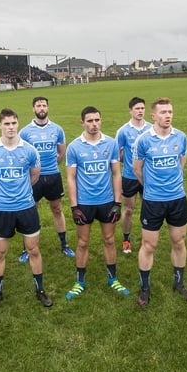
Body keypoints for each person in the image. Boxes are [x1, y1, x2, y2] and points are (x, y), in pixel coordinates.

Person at [0, 108, 54, 309]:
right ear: (0, 125)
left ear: (18, 124)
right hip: (2, 209)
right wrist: (5, 192)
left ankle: (40, 290)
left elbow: (35, 175)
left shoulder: (29, 150)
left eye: (14, 123)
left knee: (33, 250)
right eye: (6, 123)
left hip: (26, 208)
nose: (11, 127)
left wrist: (21, 191)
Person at [133, 97, 187, 306]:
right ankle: (145, 288)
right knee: (149, 245)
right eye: (163, 112)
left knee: (179, 242)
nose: (168, 115)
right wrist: (152, 187)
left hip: (177, 199)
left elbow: (181, 164)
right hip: (153, 201)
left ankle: (179, 283)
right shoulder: (143, 140)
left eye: (170, 112)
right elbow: (137, 170)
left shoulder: (181, 137)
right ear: (153, 116)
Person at [64, 106, 130, 300]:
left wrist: (117, 202)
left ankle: (112, 279)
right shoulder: (74, 147)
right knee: (83, 242)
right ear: (82, 123)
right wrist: (74, 206)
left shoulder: (111, 143)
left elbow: (116, 173)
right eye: (90, 121)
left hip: (107, 202)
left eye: (97, 120)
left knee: (109, 240)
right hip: (84, 203)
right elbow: (70, 178)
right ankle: (80, 282)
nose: (94, 124)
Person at [18, 96, 75, 262]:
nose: (41, 108)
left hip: (53, 176)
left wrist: (51, 166)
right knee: (30, 211)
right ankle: (27, 248)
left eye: (44, 105)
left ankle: (64, 244)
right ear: (33, 109)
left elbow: (61, 152)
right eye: (38, 105)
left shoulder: (57, 129)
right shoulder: (25, 132)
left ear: (47, 108)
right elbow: (21, 155)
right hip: (33, 178)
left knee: (57, 209)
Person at [115, 97, 152, 254]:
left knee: (147, 209)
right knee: (128, 210)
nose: (140, 111)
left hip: (147, 177)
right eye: (137, 108)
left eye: (142, 108)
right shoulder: (123, 131)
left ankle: (146, 239)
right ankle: (126, 240)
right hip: (129, 177)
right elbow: (117, 153)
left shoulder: (151, 129)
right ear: (130, 111)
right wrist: (129, 161)